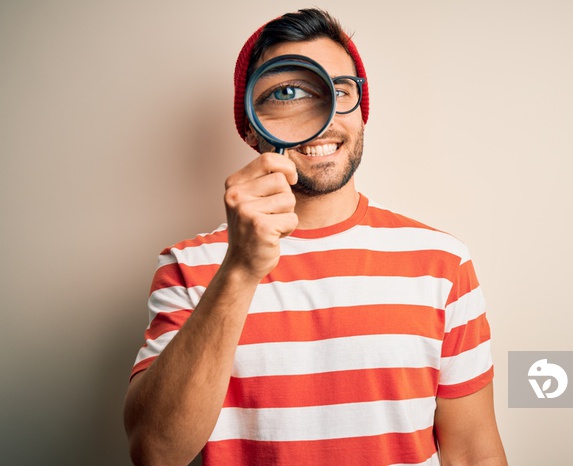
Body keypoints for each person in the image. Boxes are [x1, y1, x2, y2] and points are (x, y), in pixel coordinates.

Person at [124, 8, 507, 466]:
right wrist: (240, 270)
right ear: (249, 124)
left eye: (339, 91)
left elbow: (471, 453)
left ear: (361, 111)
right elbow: (155, 453)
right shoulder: (188, 268)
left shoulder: (442, 263)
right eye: (287, 93)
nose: (322, 120)